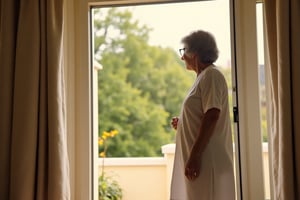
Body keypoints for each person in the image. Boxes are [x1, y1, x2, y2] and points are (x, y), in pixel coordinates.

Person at [170, 30, 235, 200]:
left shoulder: (211, 75)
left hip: (206, 161)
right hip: (201, 161)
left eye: (184, 51)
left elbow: (212, 114)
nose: (182, 57)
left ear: (196, 53)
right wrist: (184, 123)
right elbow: (203, 113)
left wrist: (195, 156)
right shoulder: (202, 78)